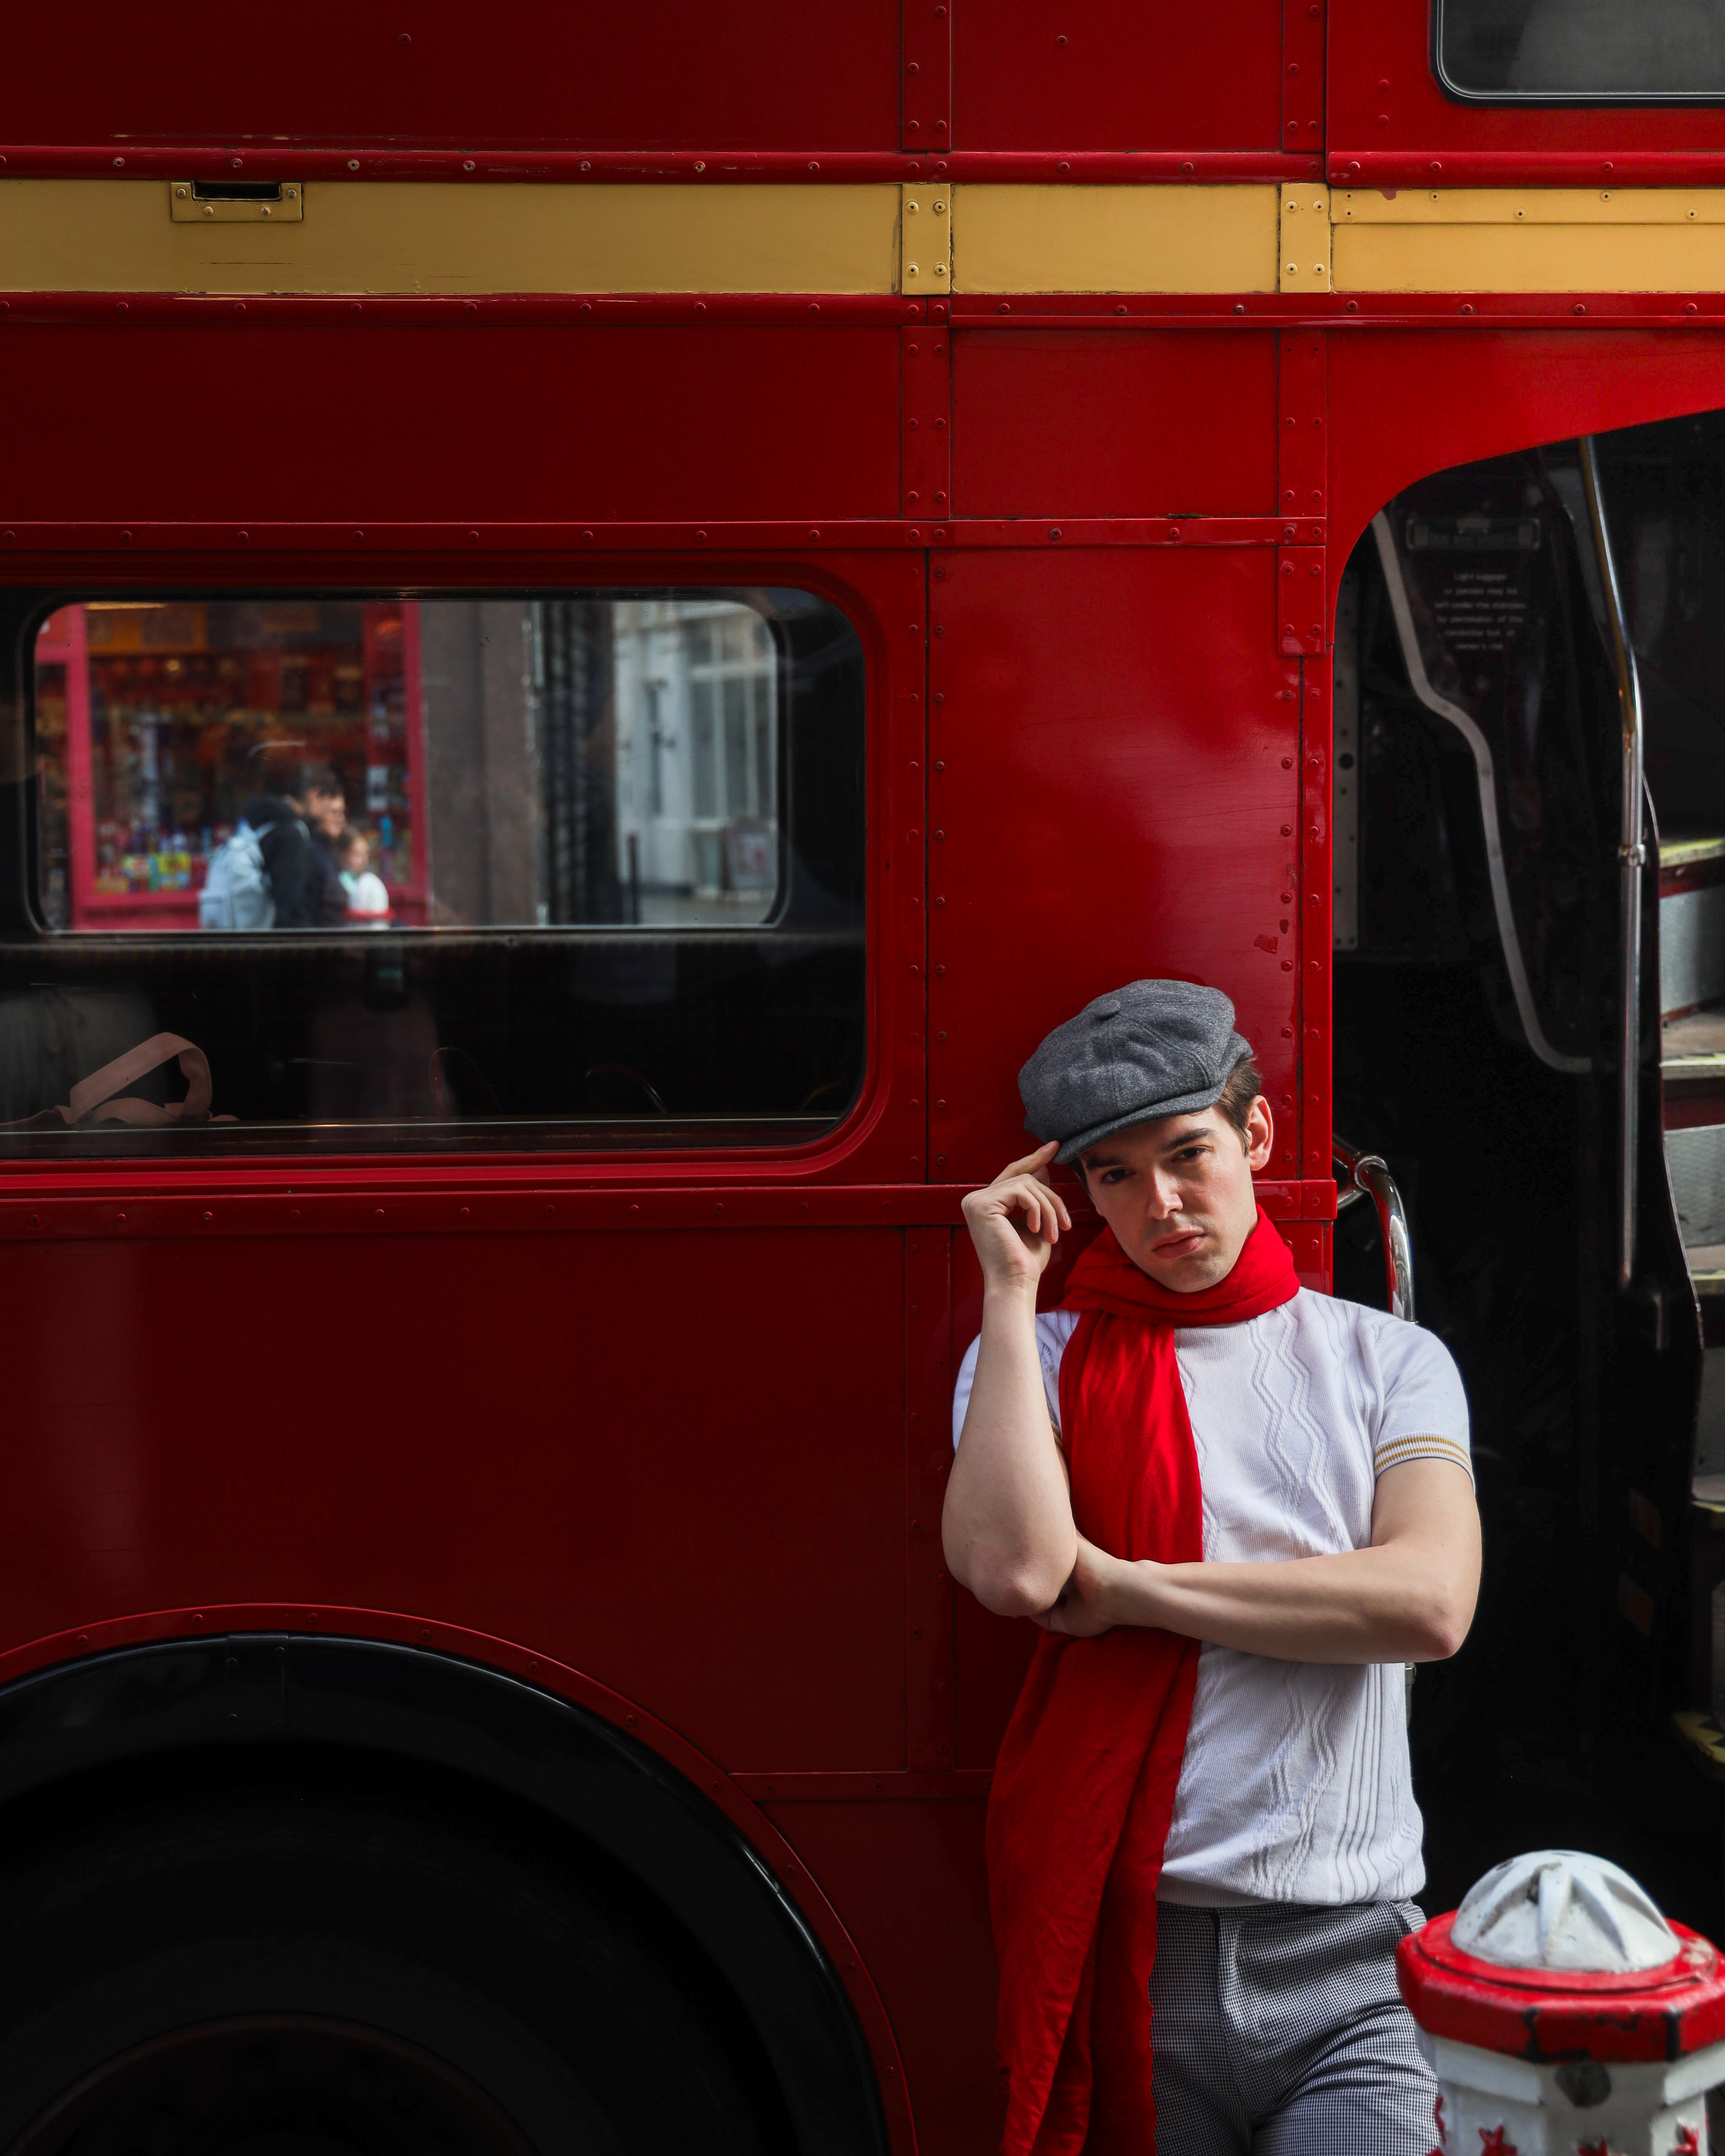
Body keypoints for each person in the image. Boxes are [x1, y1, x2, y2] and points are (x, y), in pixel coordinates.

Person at [943, 978, 1481, 2156]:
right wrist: (1005, 1283)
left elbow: (1428, 1603)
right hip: (1140, 1951)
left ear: (1257, 1135)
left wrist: (1131, 1590)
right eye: (1114, 1176)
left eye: (1188, 1152)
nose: (1162, 1204)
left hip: (1351, 1963)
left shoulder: (1385, 1360)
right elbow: (1018, 1574)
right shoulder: (1032, 1354)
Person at [241, 763, 349, 930]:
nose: (327, 813)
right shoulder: (291, 836)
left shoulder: (263, 823)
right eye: (327, 805)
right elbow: (292, 906)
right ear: (314, 795)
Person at [337, 828, 391, 927]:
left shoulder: (365, 881)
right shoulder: (338, 884)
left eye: (366, 854)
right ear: (343, 855)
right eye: (357, 855)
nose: (364, 860)